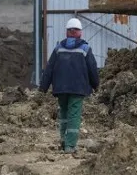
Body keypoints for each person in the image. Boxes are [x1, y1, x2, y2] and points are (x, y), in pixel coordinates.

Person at [39, 17, 100, 153]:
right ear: (79, 32)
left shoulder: (58, 49)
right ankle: (70, 146)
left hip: (61, 88)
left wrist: (43, 87)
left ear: (67, 32)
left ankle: (63, 139)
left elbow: (49, 69)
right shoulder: (85, 49)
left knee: (64, 113)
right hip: (78, 89)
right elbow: (92, 69)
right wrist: (96, 85)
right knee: (74, 115)